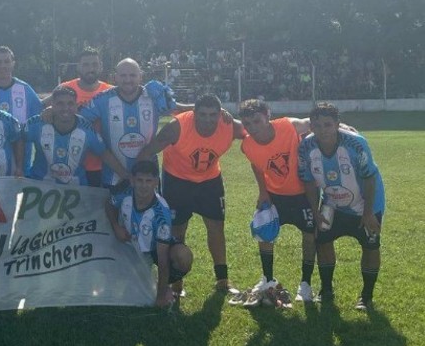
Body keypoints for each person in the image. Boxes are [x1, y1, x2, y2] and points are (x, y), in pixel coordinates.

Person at [138, 94, 246, 293]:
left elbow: (256, 132)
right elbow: (149, 150)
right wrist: (136, 179)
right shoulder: (177, 127)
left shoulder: (230, 125)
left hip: (210, 180)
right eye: (202, 114)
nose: (208, 120)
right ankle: (176, 283)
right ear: (194, 113)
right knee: (177, 230)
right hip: (177, 180)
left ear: (220, 115)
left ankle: (222, 280)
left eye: (213, 115)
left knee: (216, 227)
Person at [298, 102, 385, 310]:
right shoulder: (306, 147)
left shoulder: (356, 144)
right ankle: (326, 290)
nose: (322, 130)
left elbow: (370, 178)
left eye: (328, 125)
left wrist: (368, 213)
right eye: (317, 125)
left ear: (337, 124)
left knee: (370, 246)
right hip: (332, 203)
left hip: (365, 203)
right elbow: (308, 181)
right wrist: (315, 211)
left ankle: (366, 297)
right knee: (323, 241)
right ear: (311, 126)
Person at [237, 99, 317, 306]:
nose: (252, 127)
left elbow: (312, 122)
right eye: (247, 124)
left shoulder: (288, 126)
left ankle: (305, 284)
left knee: (310, 237)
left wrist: (343, 127)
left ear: (268, 116)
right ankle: (268, 278)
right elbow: (256, 165)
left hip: (303, 194)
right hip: (275, 195)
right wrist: (263, 191)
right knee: (264, 234)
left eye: (257, 121)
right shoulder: (247, 145)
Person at [80, 58, 189, 187]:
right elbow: (77, 119)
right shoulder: (102, 99)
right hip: (113, 176)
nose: (128, 80)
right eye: (123, 75)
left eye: (132, 75)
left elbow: (178, 109)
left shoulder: (154, 96)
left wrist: (197, 107)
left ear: (140, 76)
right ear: (115, 77)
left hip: (147, 176)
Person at [106, 160, 194, 308]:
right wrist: (116, 226)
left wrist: (159, 298)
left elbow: (163, 260)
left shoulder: (161, 214)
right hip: (131, 245)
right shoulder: (125, 193)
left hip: (154, 249)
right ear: (132, 181)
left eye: (148, 181)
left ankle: (163, 287)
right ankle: (147, 280)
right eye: (140, 180)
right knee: (131, 292)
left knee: (183, 257)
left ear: (156, 182)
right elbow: (109, 204)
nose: (144, 185)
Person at [25, 85, 131, 186]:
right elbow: (20, 138)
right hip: (39, 185)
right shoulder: (37, 123)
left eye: (70, 103)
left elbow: (104, 153)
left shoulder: (86, 129)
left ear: (76, 105)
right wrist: (20, 169)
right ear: (52, 105)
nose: (65, 108)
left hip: (76, 189)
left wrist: (125, 175)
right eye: (60, 103)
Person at [53, 47, 113, 187]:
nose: (90, 69)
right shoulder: (65, 88)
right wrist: (48, 111)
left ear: (101, 66)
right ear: (78, 67)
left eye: (94, 64)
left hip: (103, 164)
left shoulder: (111, 92)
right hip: (69, 165)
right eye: (86, 64)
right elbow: (48, 109)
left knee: (101, 201)